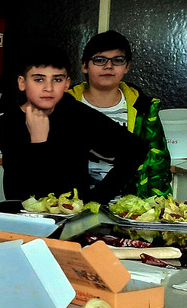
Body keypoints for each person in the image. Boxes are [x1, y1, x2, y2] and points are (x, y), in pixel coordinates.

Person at [0, 47, 146, 202]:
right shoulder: (9, 123)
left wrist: (97, 198)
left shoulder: (75, 112)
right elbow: (17, 191)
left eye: (57, 80)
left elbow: (136, 148)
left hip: (74, 214)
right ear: (22, 83)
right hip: (25, 214)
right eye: (39, 79)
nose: (49, 88)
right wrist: (39, 142)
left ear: (67, 84)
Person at [68, 30, 172, 197]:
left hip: (128, 205)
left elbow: (157, 166)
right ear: (85, 66)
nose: (108, 66)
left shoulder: (143, 108)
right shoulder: (66, 105)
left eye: (117, 60)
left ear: (127, 66)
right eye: (99, 60)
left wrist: (157, 206)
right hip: (73, 204)